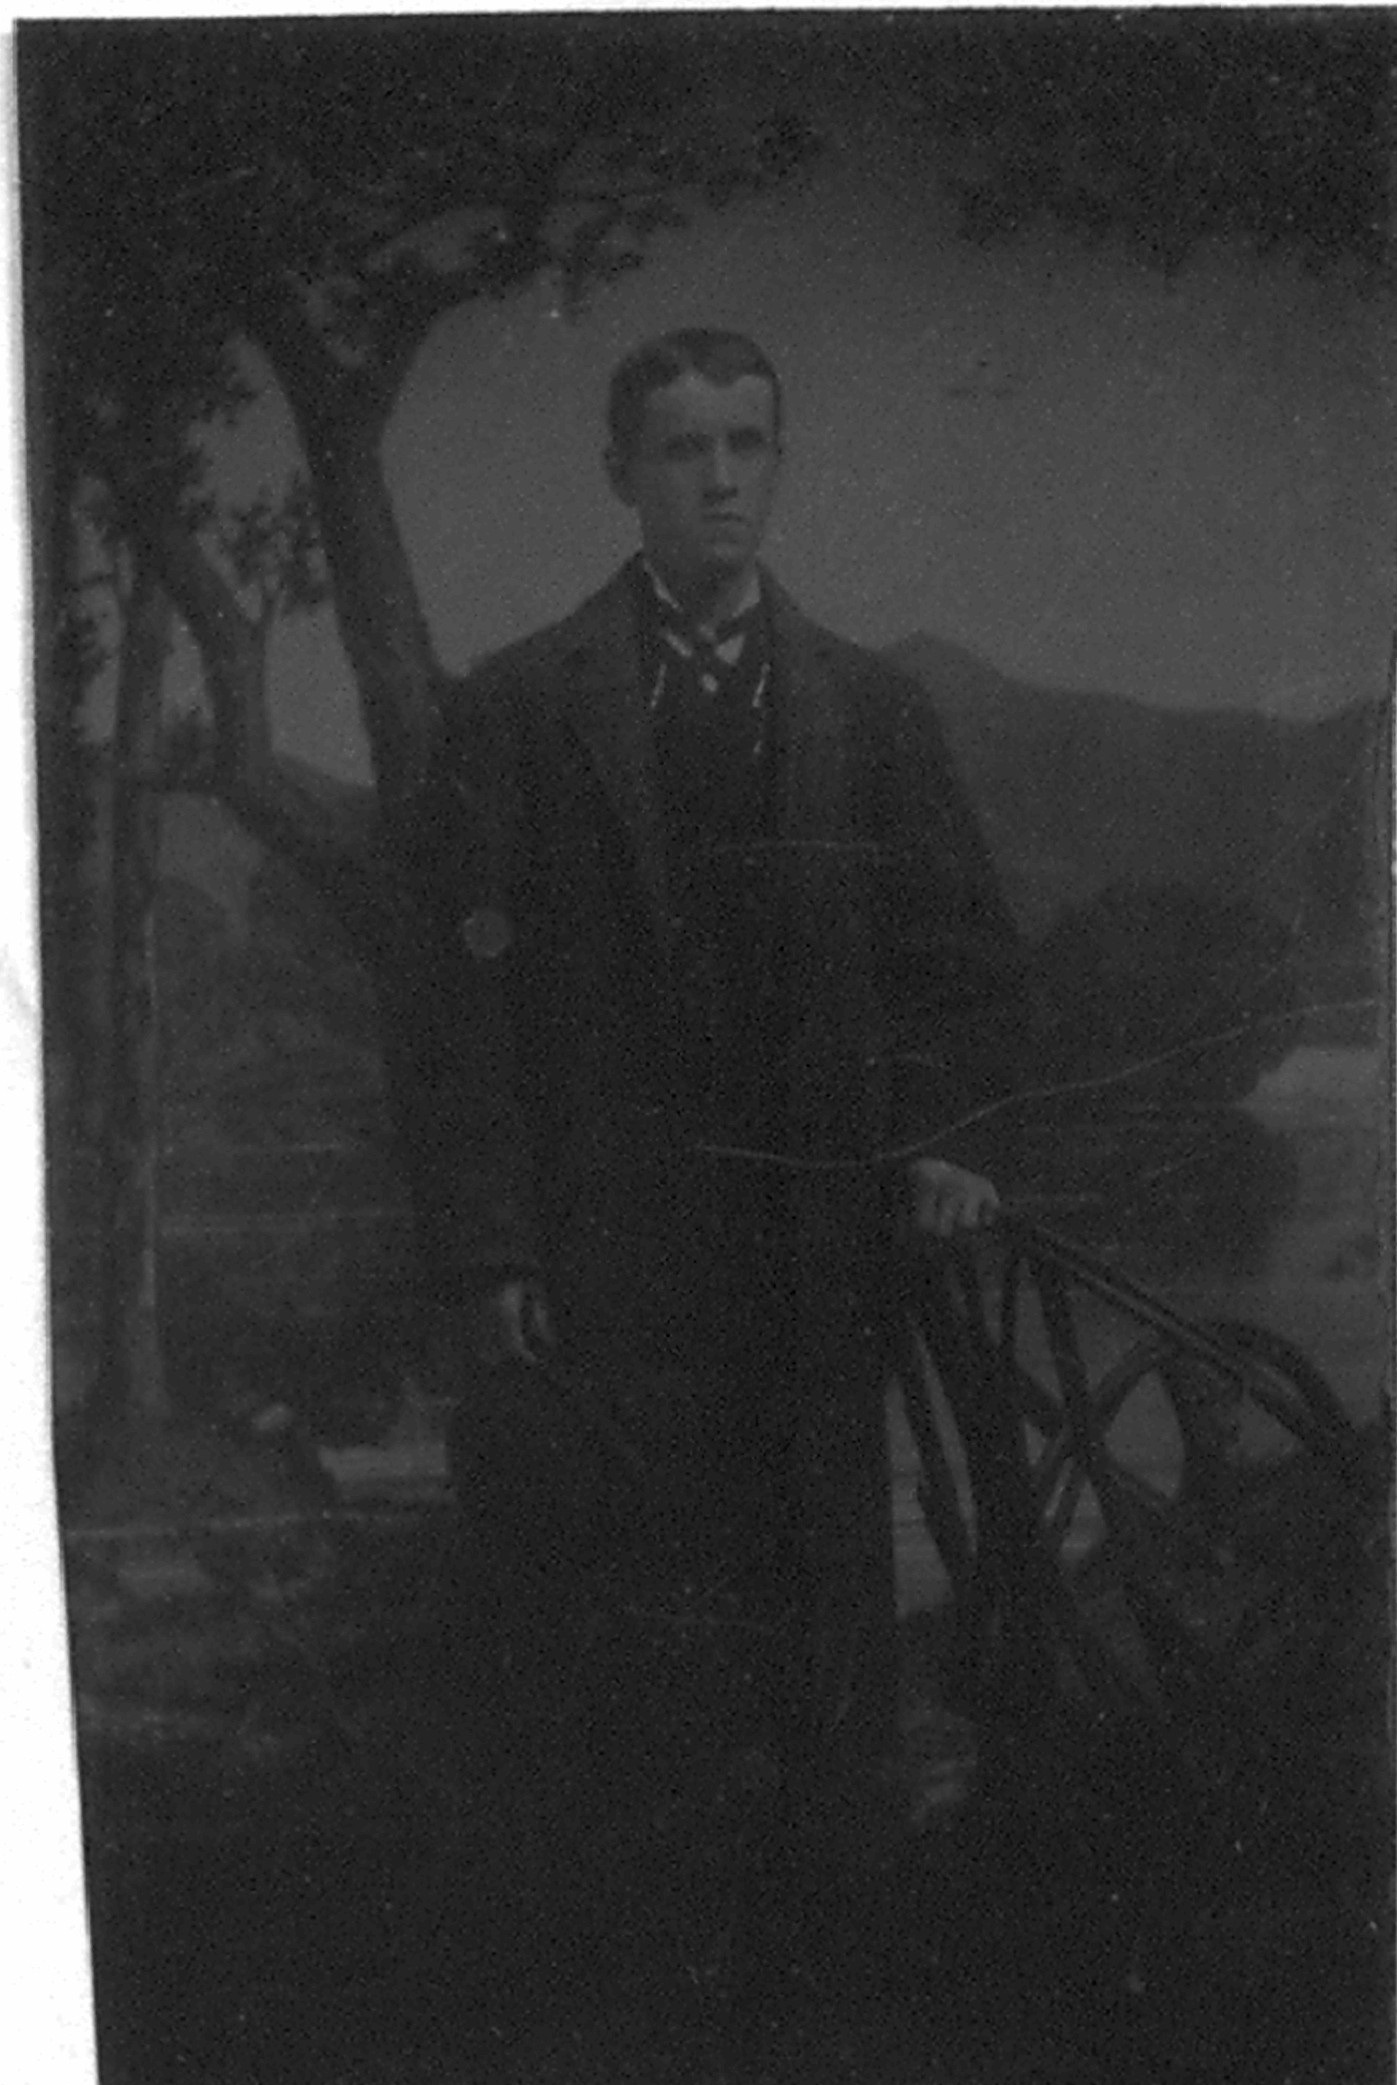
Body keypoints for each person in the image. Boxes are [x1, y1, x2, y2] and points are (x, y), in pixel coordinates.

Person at [389, 328, 1027, 1862]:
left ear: (778, 462)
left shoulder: (870, 709)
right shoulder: (519, 709)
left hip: (816, 1245)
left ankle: (836, 1907)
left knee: (821, 1597)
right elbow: (451, 1019)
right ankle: (649, 1923)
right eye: (684, 451)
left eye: (747, 445)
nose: (720, 481)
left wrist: (945, 1142)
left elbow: (960, 962)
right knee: (632, 1609)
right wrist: (489, 1250)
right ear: (623, 474)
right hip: (610, 1249)